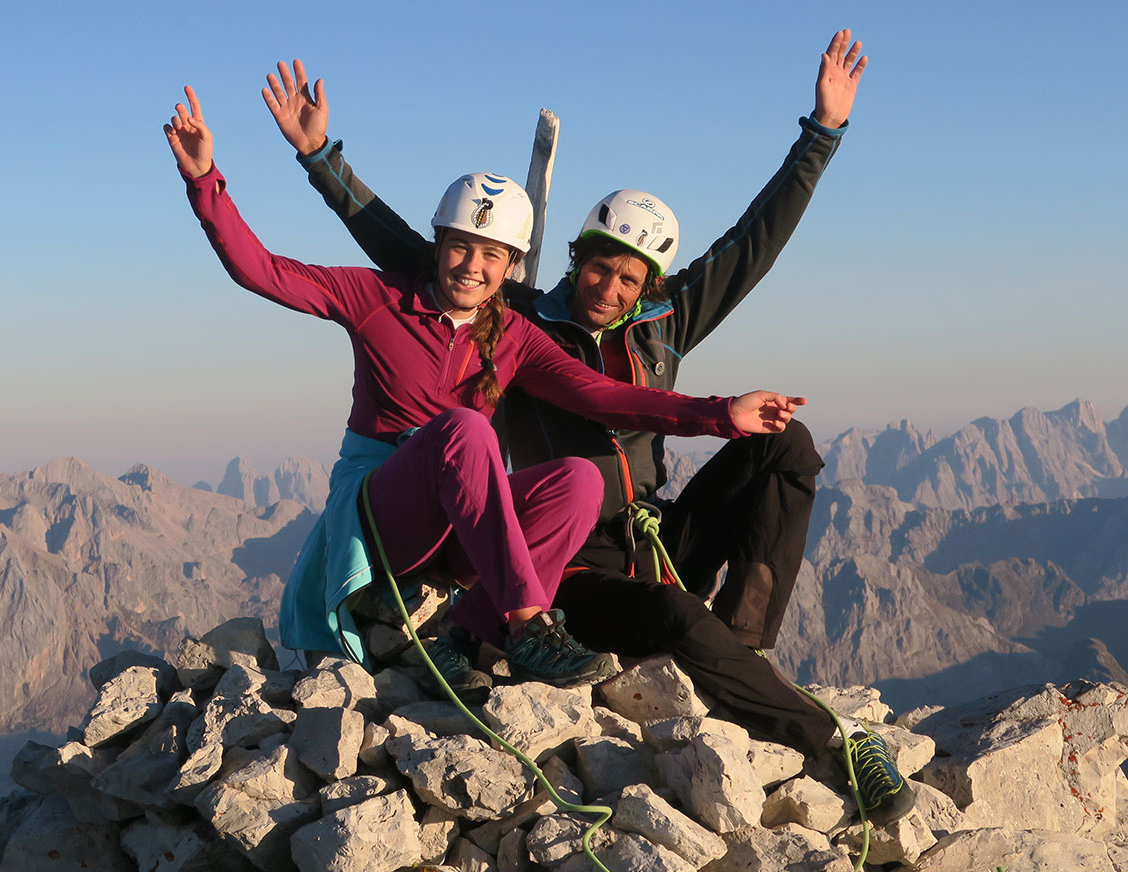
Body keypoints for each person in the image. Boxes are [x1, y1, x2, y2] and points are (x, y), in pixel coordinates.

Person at [258, 32, 915, 825]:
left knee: (784, 447)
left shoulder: (668, 321)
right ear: (575, 259)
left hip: (658, 532)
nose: (607, 286)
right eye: (596, 266)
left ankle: (747, 646)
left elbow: (754, 243)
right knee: (674, 619)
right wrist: (322, 158)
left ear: (648, 286)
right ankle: (833, 744)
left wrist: (822, 133)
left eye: (626, 277)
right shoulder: (519, 321)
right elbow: (412, 249)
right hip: (573, 558)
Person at [162, 85, 807, 700]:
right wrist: (205, 182)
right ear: (437, 247)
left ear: (511, 267)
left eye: (492, 255)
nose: (472, 266)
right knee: (466, 429)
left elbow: (606, 399)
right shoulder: (376, 298)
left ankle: (466, 635)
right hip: (384, 512)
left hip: (461, 527)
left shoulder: (517, 336)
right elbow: (260, 270)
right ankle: (528, 627)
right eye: (461, 248)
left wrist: (723, 414)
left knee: (579, 479)